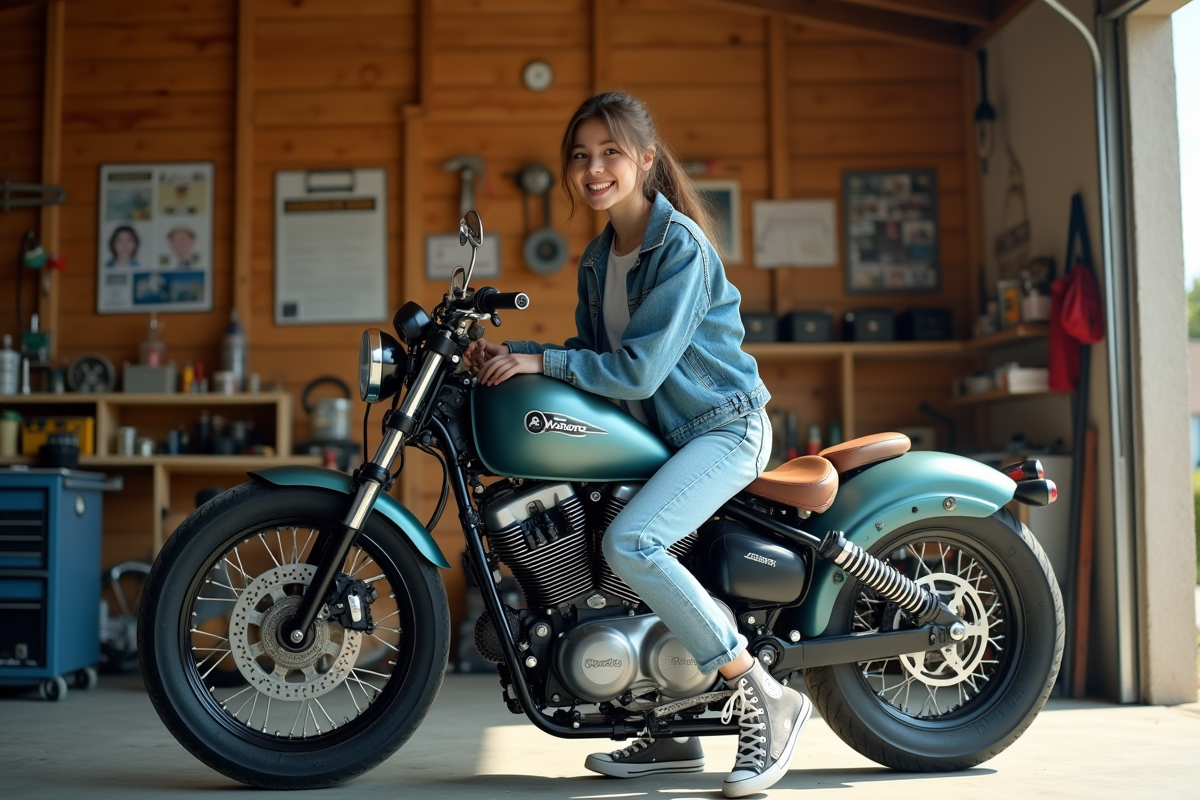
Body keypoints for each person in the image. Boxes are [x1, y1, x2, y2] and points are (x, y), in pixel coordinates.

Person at [467, 91, 811, 798]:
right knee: (607, 541)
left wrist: (543, 363)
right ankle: (675, 724)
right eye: (581, 156)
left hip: (722, 427)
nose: (595, 169)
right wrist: (515, 354)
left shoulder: (677, 244)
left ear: (646, 161)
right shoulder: (601, 258)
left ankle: (765, 696)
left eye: (610, 153)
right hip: (665, 437)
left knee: (632, 545)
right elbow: (594, 357)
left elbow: (639, 368)